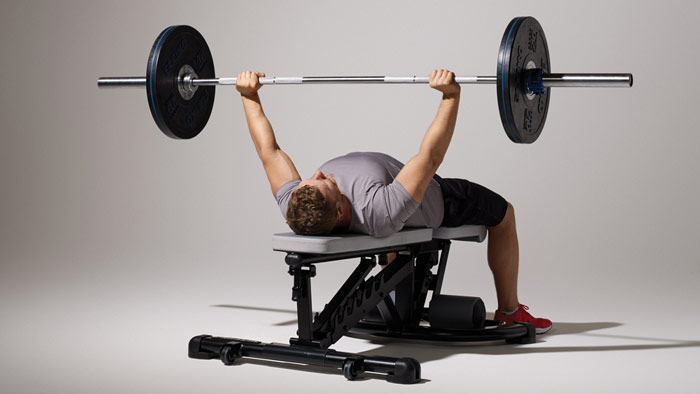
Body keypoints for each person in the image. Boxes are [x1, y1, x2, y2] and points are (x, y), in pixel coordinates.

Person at [235, 70, 552, 334]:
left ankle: (393, 308)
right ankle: (510, 309)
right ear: (342, 211)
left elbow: (269, 151)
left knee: (386, 235)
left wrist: (249, 97)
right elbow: (429, 158)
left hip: (390, 217)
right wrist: (450, 97)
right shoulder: (376, 210)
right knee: (504, 213)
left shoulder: (296, 206)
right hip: (443, 200)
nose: (318, 173)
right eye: (322, 181)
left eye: (313, 177)